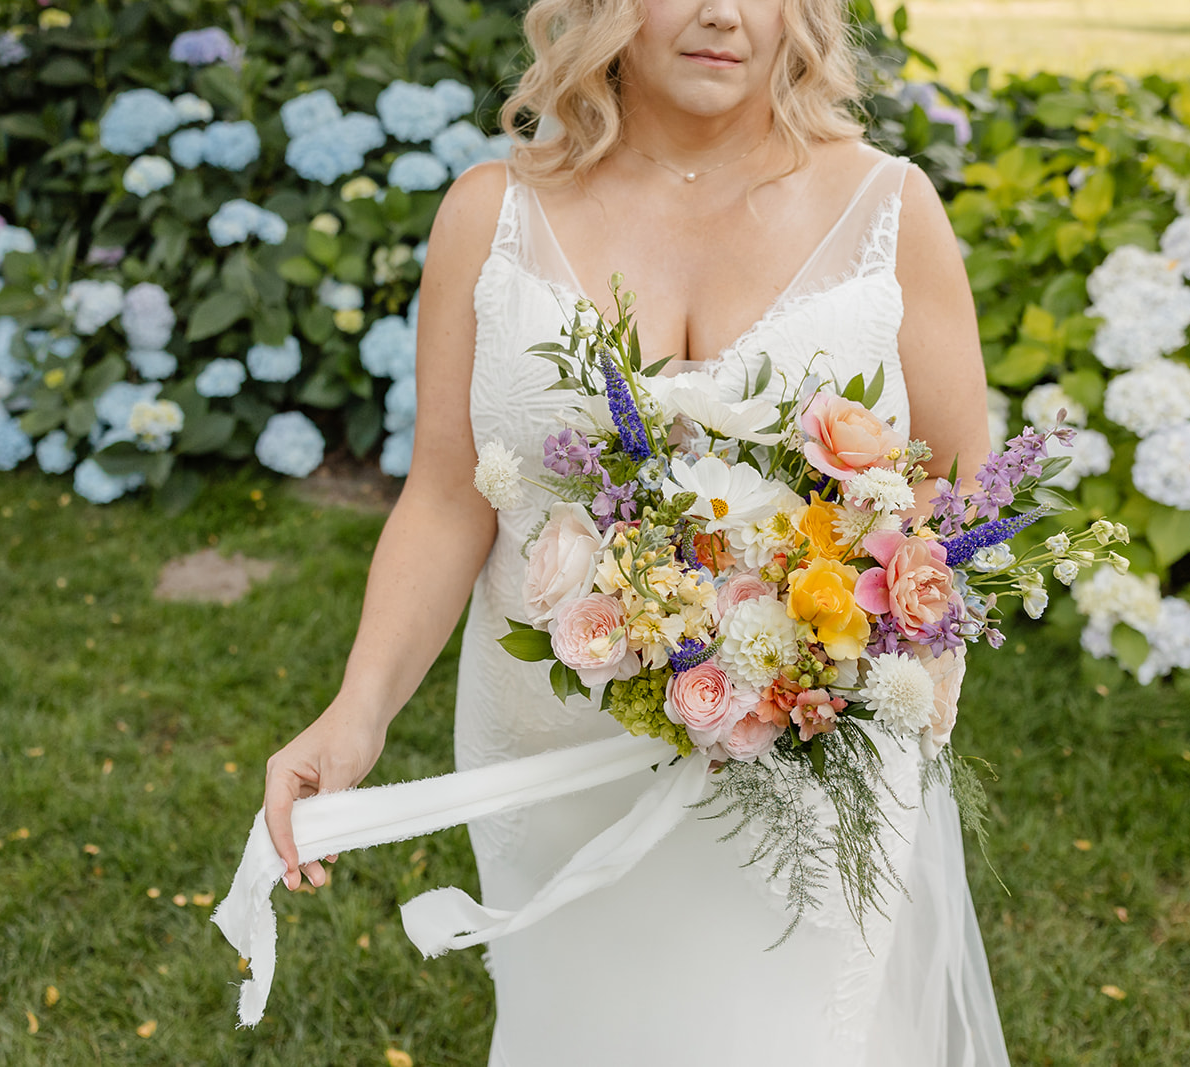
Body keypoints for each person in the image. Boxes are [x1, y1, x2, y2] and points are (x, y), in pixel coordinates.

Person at [261, 0, 1008, 1060]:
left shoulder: (889, 207)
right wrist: (357, 711)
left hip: (807, 748)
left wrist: (839, 650)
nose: (719, 13)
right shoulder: (492, 212)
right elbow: (445, 492)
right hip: (548, 737)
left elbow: (959, 485)